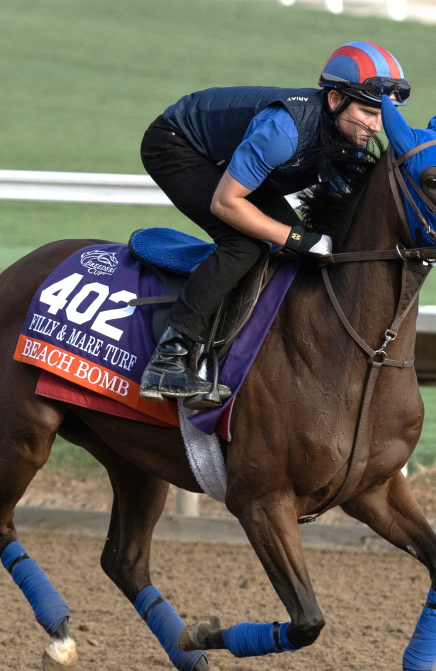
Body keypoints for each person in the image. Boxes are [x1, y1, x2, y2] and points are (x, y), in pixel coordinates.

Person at [138, 41, 411, 403]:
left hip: (232, 162)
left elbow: (332, 221)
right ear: (334, 100)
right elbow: (226, 203)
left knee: (298, 248)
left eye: (384, 116)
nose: (377, 126)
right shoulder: (285, 131)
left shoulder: (351, 138)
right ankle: (168, 360)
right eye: (368, 112)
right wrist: (296, 238)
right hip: (178, 145)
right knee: (245, 244)